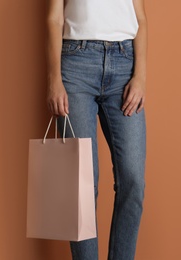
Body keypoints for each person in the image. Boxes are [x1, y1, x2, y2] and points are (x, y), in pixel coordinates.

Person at [46, 0, 147, 259]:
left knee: (133, 179)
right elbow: (54, 18)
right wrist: (54, 80)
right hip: (76, 66)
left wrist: (141, 77)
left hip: (125, 65)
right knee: (81, 185)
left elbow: (141, 19)